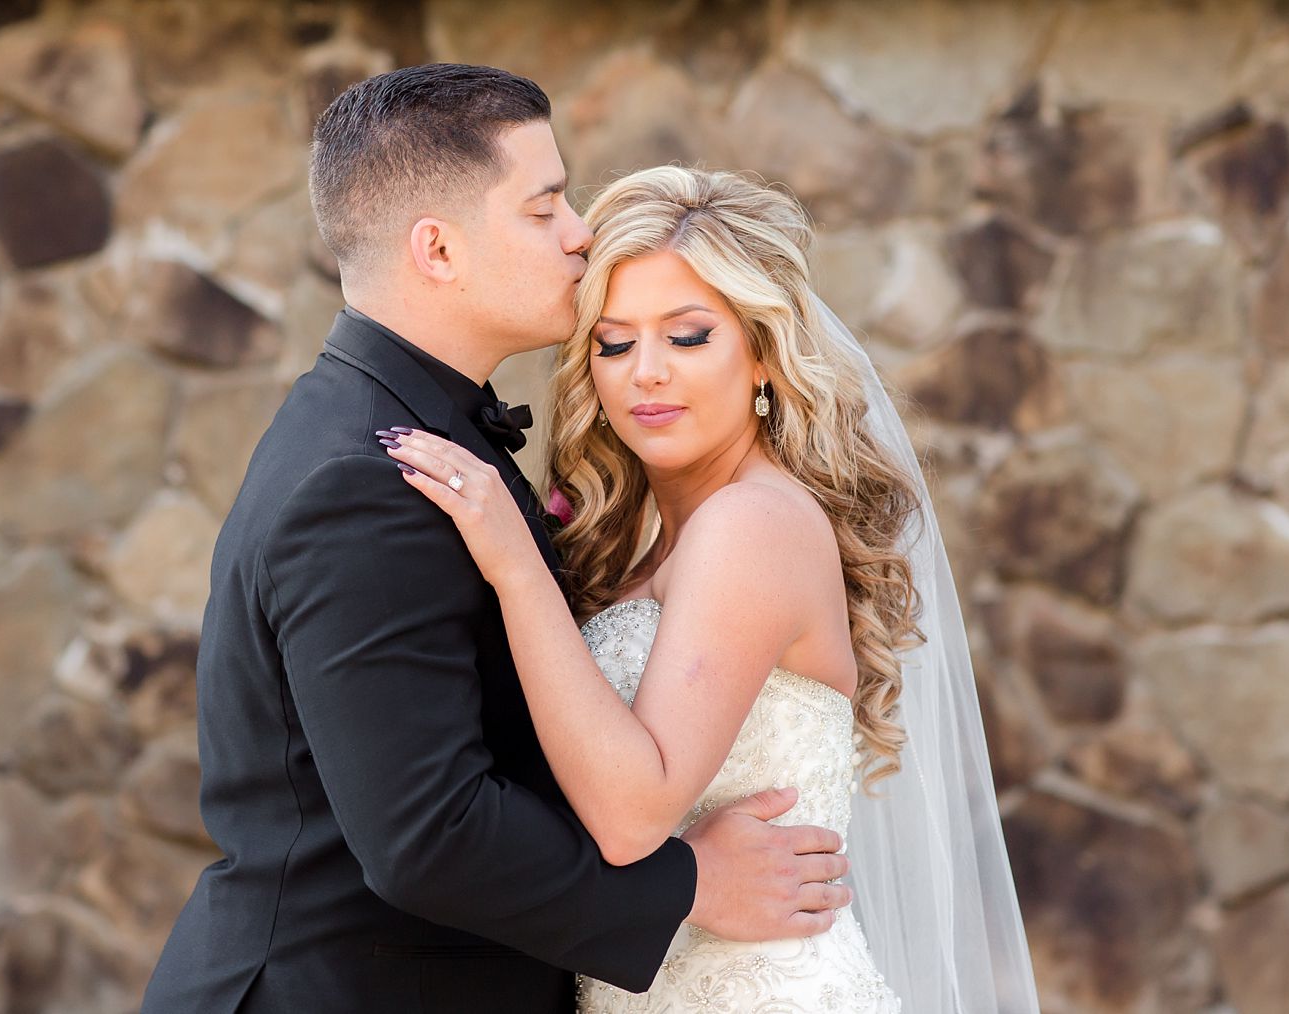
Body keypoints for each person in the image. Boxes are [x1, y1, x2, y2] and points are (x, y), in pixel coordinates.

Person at [142, 65, 854, 1014]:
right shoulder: (369, 476)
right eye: (545, 205)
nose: (578, 232)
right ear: (437, 249)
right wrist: (691, 887)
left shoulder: (418, 437)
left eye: (687, 336)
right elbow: (428, 835)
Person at [386, 166, 1041, 1011]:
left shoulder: (752, 526)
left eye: (688, 336)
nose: (645, 373)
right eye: (614, 343)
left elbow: (630, 817)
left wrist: (515, 568)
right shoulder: (637, 542)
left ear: (764, 357)